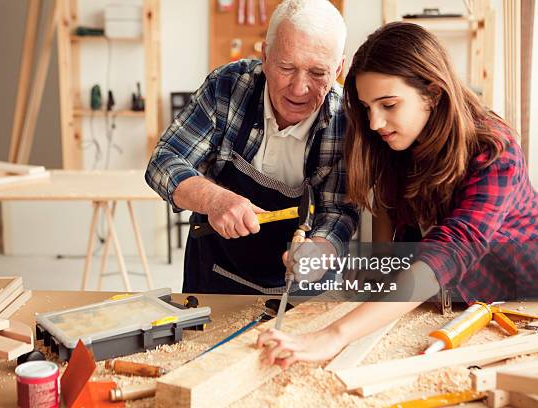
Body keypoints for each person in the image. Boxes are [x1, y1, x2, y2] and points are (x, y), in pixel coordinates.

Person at [257, 22, 538, 367]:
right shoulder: (396, 138)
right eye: (367, 106)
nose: (374, 122)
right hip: (443, 300)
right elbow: (388, 211)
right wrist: (378, 267)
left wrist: (335, 335)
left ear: (433, 93)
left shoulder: (495, 151)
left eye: (388, 105)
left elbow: (449, 251)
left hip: (517, 304)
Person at [145, 0, 358, 294]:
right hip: (215, 275)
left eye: (318, 73)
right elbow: (164, 161)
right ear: (266, 56)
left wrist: (319, 253)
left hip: (300, 290)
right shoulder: (229, 86)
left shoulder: (346, 121)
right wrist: (215, 200)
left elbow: (337, 211)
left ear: (338, 69)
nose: (299, 88)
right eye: (286, 67)